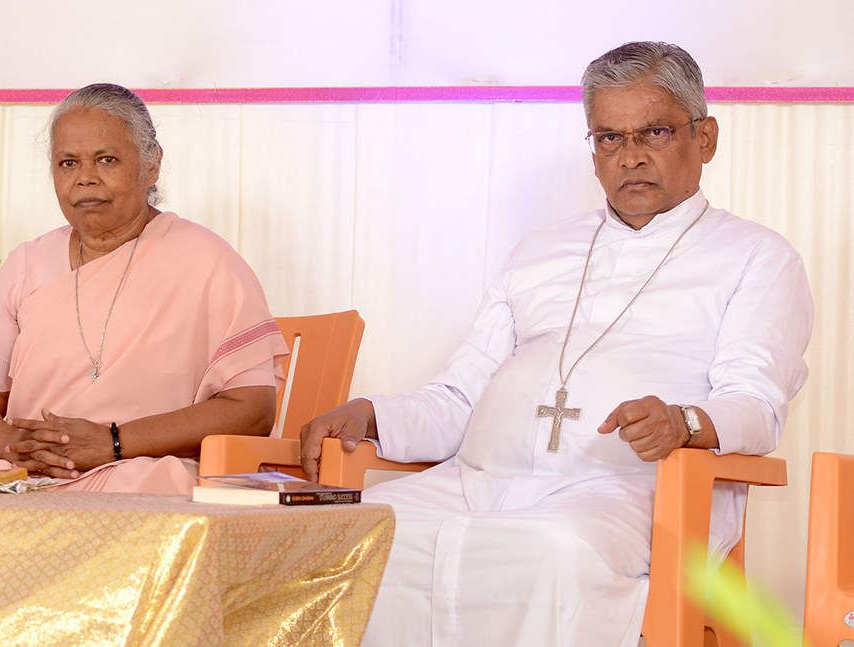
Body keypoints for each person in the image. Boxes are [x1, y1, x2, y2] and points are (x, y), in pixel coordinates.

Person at [299, 42, 813, 646]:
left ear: (705, 138)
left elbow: (756, 402)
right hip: (475, 483)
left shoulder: (758, 257)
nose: (631, 156)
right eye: (610, 138)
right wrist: (373, 415)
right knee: (345, 536)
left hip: (627, 496)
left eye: (653, 132)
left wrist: (684, 422)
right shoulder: (540, 251)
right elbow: (461, 396)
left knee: (552, 551)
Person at [0, 83, 289, 494]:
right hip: (28, 485)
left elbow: (252, 409)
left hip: (144, 480)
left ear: (151, 165)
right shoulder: (26, 265)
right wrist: (13, 446)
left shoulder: (206, 260)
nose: (85, 179)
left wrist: (116, 442)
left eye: (106, 159)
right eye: (68, 163)